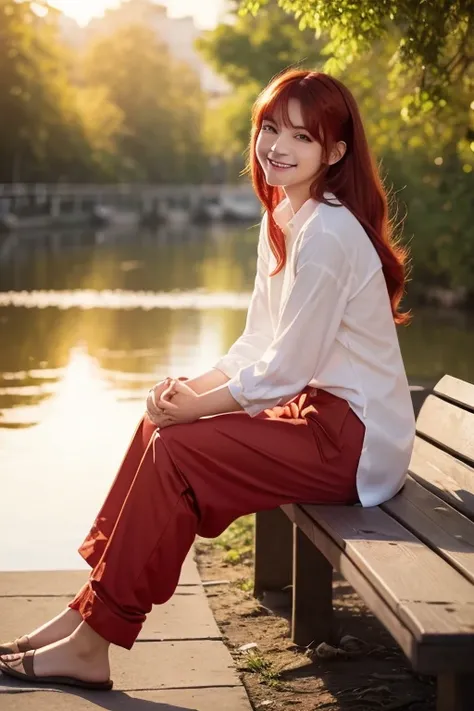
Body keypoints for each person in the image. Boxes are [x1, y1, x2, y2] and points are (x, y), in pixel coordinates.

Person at [0, 69, 416, 690]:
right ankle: (82, 616)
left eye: (302, 138)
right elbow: (256, 341)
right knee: (156, 423)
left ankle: (93, 643)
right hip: (313, 418)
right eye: (271, 128)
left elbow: (285, 370)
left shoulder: (329, 234)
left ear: (334, 153)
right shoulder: (286, 216)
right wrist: (186, 392)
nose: (278, 146)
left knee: (177, 450)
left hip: (353, 445)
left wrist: (193, 413)